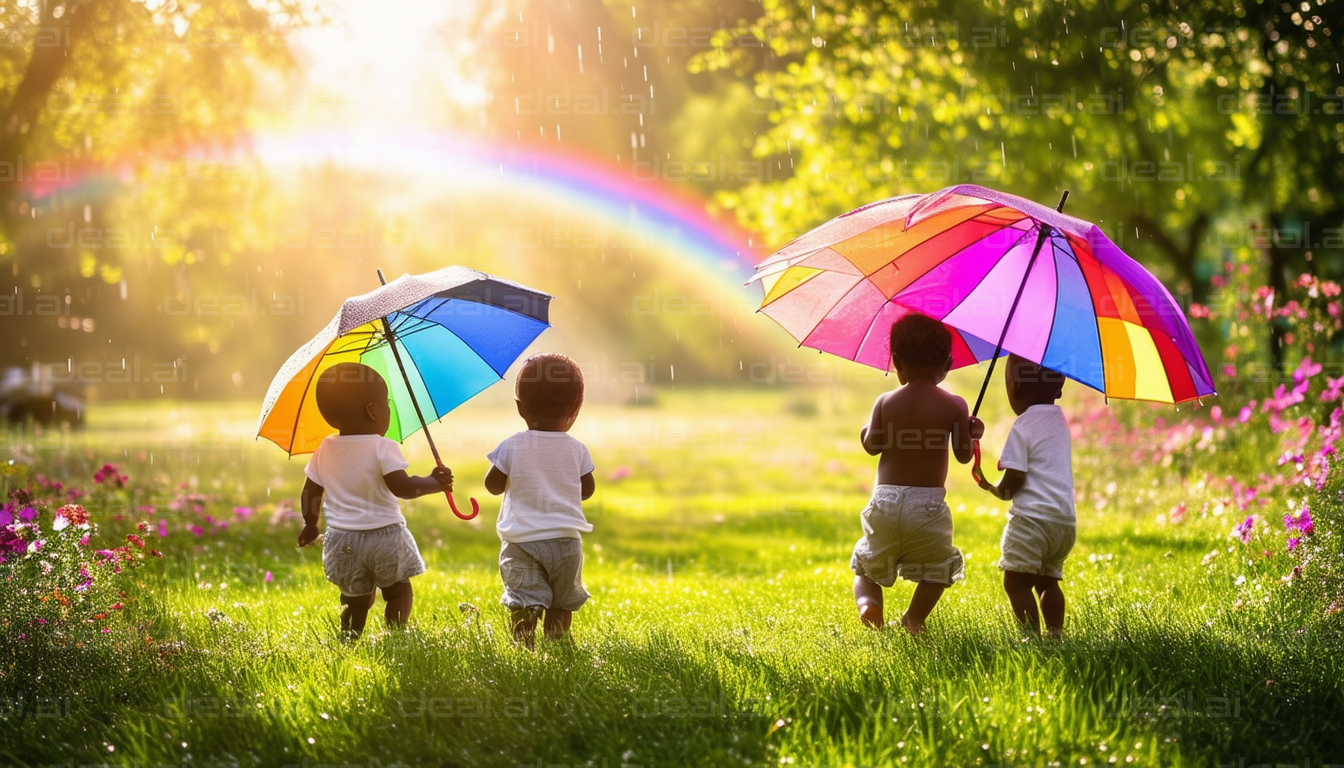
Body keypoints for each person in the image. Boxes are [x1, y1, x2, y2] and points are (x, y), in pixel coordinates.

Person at [298, 362, 453, 637]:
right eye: (386, 403)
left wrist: (311, 524)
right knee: (397, 591)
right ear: (372, 411)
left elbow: (310, 491)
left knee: (354, 598)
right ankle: (395, 635)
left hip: (342, 539)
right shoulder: (383, 447)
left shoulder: (325, 448)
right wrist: (434, 482)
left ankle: (349, 637)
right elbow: (403, 487)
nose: (388, 409)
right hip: (384, 537)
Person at [851, 313, 983, 634]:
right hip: (927, 505)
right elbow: (964, 456)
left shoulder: (885, 401)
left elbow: (872, 445)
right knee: (937, 570)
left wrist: (866, 429)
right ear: (948, 363)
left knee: (866, 567)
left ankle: (870, 605)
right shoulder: (955, 405)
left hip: (886, 500)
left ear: (896, 361)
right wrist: (973, 433)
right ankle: (914, 618)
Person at [485, 353, 596, 648]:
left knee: (524, 602)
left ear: (520, 408)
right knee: (562, 602)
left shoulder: (512, 446)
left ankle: (525, 647)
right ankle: (557, 643)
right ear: (576, 410)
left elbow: (492, 486)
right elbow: (586, 490)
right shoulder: (577, 450)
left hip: (522, 542)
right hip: (566, 543)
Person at [974, 353, 1074, 638]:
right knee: (1047, 582)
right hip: (1064, 523)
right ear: (1060, 388)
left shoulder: (1023, 425)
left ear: (1015, 386)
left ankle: (1031, 638)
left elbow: (1014, 478)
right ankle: (1055, 635)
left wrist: (994, 488)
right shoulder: (1060, 422)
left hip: (1032, 521)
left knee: (1016, 584)